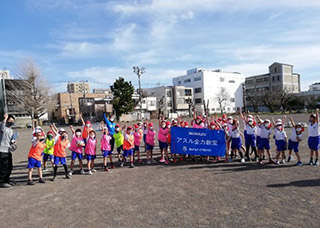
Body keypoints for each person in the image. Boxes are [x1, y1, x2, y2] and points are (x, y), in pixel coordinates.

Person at [0, 113, 16, 188]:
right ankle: (2, 181)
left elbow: (11, 139)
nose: (11, 122)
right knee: (4, 167)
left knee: (9, 166)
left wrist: (13, 142)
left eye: (13, 121)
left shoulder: (11, 130)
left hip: (8, 150)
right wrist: (5, 118)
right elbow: (2, 126)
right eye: (10, 120)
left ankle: (7, 179)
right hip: (2, 150)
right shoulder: (3, 128)